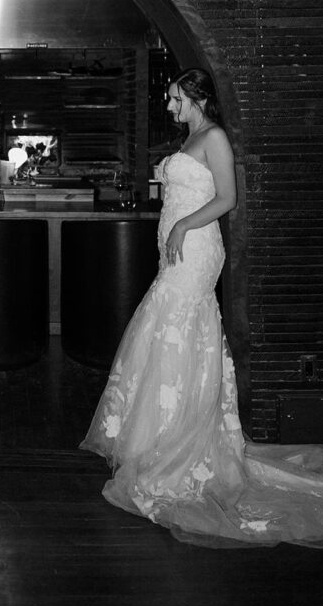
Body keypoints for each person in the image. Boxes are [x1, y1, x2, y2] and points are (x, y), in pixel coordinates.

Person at [80, 67, 323, 547]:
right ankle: (159, 437)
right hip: (179, 248)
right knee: (166, 331)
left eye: (175, 100)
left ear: (196, 98)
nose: (170, 107)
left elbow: (227, 199)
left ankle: (179, 445)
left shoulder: (214, 137)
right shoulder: (192, 136)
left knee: (175, 326)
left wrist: (181, 226)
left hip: (196, 249)